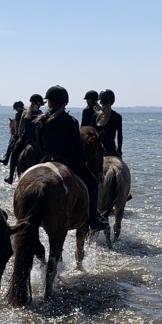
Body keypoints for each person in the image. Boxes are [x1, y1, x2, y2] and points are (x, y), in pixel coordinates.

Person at [35, 85, 108, 232]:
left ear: (50, 102)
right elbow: (78, 146)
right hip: (67, 161)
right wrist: (83, 161)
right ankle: (93, 219)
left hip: (46, 159)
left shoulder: (41, 121)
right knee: (93, 184)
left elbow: (40, 144)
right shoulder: (71, 121)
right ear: (64, 102)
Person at [6, 94, 44, 184]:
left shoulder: (25, 113)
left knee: (14, 153)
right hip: (38, 139)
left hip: (26, 138)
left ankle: (10, 176)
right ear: (38, 104)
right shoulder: (41, 114)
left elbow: (20, 128)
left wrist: (19, 136)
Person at [95, 89, 123, 158]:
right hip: (112, 150)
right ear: (112, 102)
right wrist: (119, 151)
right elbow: (119, 136)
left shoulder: (96, 116)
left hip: (98, 151)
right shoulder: (117, 116)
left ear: (101, 102)